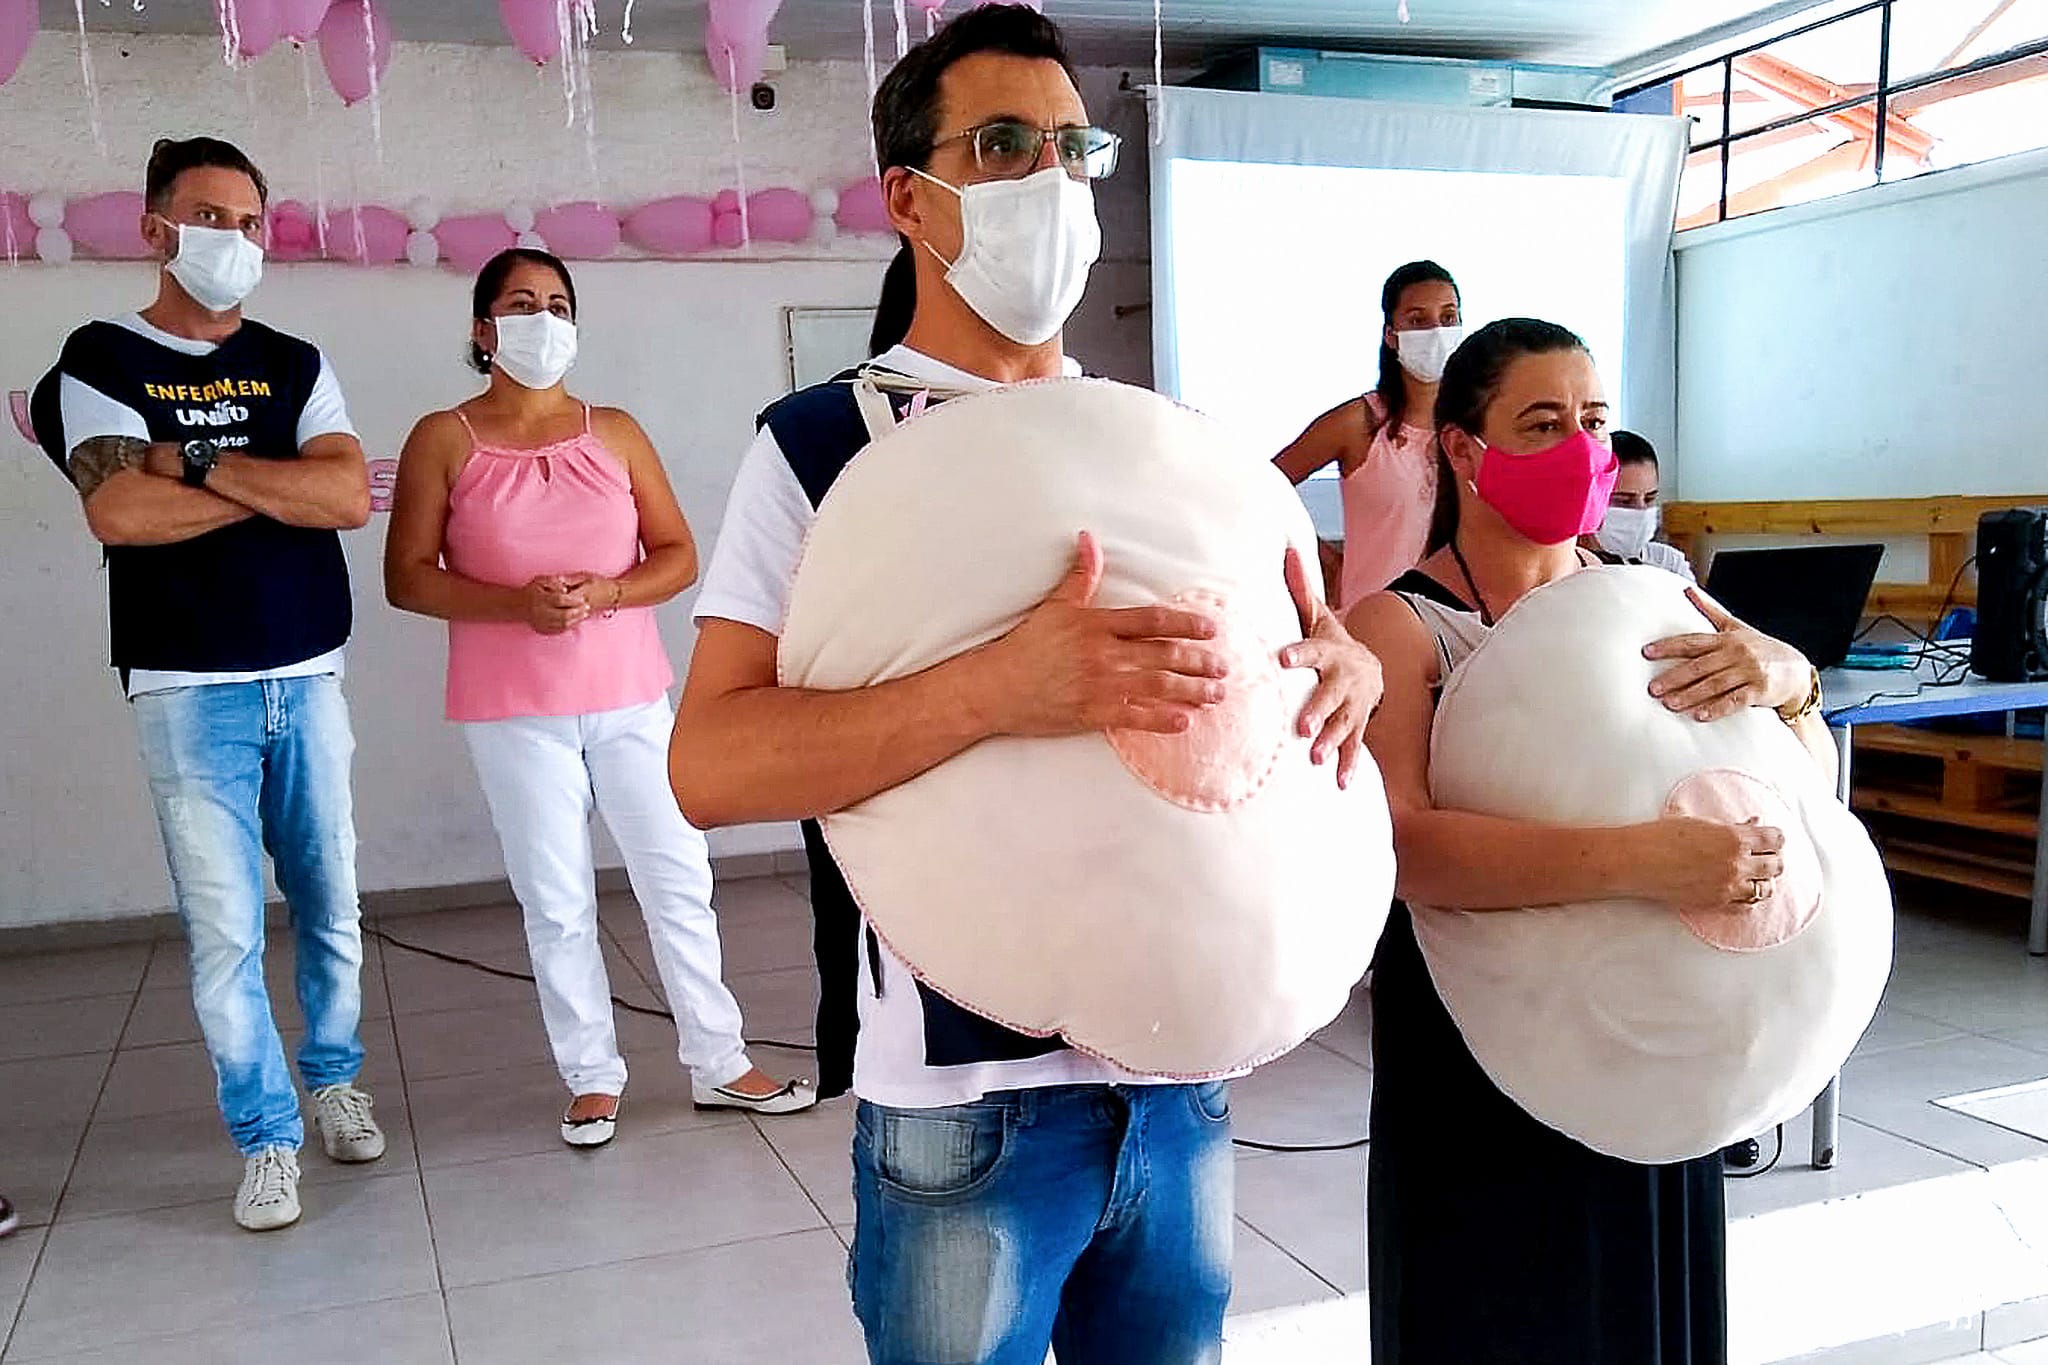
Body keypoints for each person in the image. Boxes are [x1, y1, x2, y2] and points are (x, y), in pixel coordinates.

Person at [670, 7, 1384, 1362]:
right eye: (1003, 145)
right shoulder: (821, 450)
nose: (1052, 179)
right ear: (910, 196)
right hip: (967, 1095)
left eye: (1074, 145)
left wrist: (1337, 668)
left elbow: (1286, 664)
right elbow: (711, 765)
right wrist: (1003, 684)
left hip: (1183, 1067)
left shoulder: (1169, 448)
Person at [1345, 318, 1830, 1364]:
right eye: (1542, 422)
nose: (1579, 446)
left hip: (1661, 1026)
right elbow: (1405, 851)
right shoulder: (1402, 625)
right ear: (1464, 450)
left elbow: (1795, 783)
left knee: (1644, 1311)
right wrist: (1642, 861)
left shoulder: (1659, 599)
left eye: (1593, 420)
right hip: (1484, 1041)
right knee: (1502, 1307)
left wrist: (1793, 682)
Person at [385, 248, 814, 1147]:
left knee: (677, 876)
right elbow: (407, 578)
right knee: (557, 896)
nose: (543, 319)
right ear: (482, 328)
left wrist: (609, 594)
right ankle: (589, 1076)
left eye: (557, 303)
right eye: (521, 303)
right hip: (512, 708)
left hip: (629, 695)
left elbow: (678, 554)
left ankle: (720, 1059)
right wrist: (516, 606)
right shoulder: (442, 437)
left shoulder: (613, 430)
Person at [30, 137, 382, 1233]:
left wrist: (189, 463)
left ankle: (332, 1080)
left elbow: (348, 502)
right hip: (187, 687)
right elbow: (118, 513)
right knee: (225, 929)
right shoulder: (99, 359)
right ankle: (265, 1137)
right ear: (155, 229)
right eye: (208, 217)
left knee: (331, 907)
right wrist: (276, 489)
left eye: (246, 220)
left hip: (307, 671)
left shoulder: (294, 359)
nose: (232, 241)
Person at [1274, 260, 1462, 611]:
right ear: (1391, 334)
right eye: (1418, 321)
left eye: (1448, 318)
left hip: (1458, 629)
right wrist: (1323, 558)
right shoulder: (1359, 423)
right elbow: (1264, 484)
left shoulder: (1473, 428)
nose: (1436, 333)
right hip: (1370, 628)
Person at [1588, 429, 1696, 581]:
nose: (1641, 511)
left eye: (1649, 499)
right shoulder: (1570, 568)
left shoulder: (1668, 563)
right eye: (1624, 501)